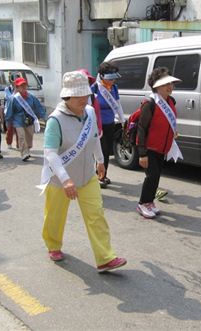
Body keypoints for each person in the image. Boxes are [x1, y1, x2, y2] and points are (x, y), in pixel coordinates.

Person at [40, 71, 127, 272]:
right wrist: (65, 180)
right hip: (60, 180)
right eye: (77, 96)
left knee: (96, 215)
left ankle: (105, 257)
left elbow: (95, 137)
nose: (82, 99)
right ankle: (53, 245)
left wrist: (100, 161)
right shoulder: (56, 120)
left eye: (85, 95)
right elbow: (50, 154)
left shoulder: (88, 112)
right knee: (55, 216)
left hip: (87, 176)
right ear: (66, 96)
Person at [136, 67, 183, 219]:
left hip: (163, 147)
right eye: (165, 84)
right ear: (156, 86)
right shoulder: (150, 103)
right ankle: (143, 203)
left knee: (156, 176)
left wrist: (173, 132)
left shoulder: (171, 101)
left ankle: (150, 202)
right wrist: (142, 153)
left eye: (171, 84)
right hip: (149, 147)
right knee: (152, 176)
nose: (170, 87)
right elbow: (142, 129)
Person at [91, 62, 125, 188]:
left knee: (106, 151)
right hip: (97, 125)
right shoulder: (94, 88)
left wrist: (122, 120)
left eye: (114, 78)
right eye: (110, 79)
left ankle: (102, 175)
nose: (112, 81)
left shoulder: (114, 88)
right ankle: (96, 175)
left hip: (110, 123)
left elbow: (118, 105)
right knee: (99, 150)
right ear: (101, 76)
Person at [4, 77, 45, 161]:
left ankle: (28, 149)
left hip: (29, 120)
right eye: (20, 86)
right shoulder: (13, 98)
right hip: (18, 120)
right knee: (21, 136)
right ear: (17, 87)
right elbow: (10, 111)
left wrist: (42, 116)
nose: (23, 87)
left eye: (24, 85)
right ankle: (24, 153)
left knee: (29, 136)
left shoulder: (31, 97)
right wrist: (8, 121)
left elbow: (38, 107)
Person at [77, 68, 102, 137]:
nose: (84, 85)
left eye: (86, 82)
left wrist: (99, 130)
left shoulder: (93, 98)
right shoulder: (71, 99)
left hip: (91, 133)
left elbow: (98, 115)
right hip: (77, 135)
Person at [4, 73, 20, 150]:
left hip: (18, 111)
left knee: (18, 129)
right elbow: (10, 98)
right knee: (10, 129)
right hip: (9, 111)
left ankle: (18, 144)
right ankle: (9, 142)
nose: (15, 81)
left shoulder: (20, 88)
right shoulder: (7, 89)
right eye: (13, 79)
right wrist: (15, 91)